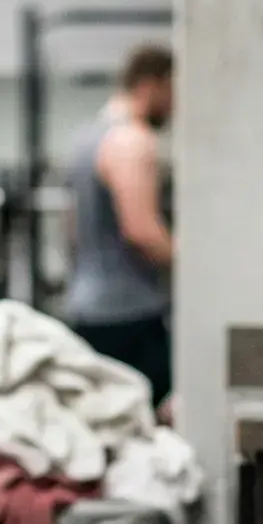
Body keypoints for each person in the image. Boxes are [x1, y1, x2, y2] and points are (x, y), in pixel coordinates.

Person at [64, 42, 176, 417]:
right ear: (151, 84)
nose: (176, 105)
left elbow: (72, 229)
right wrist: (194, 269)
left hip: (89, 305)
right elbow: (142, 230)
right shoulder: (133, 140)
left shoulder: (85, 138)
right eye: (173, 91)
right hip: (129, 312)